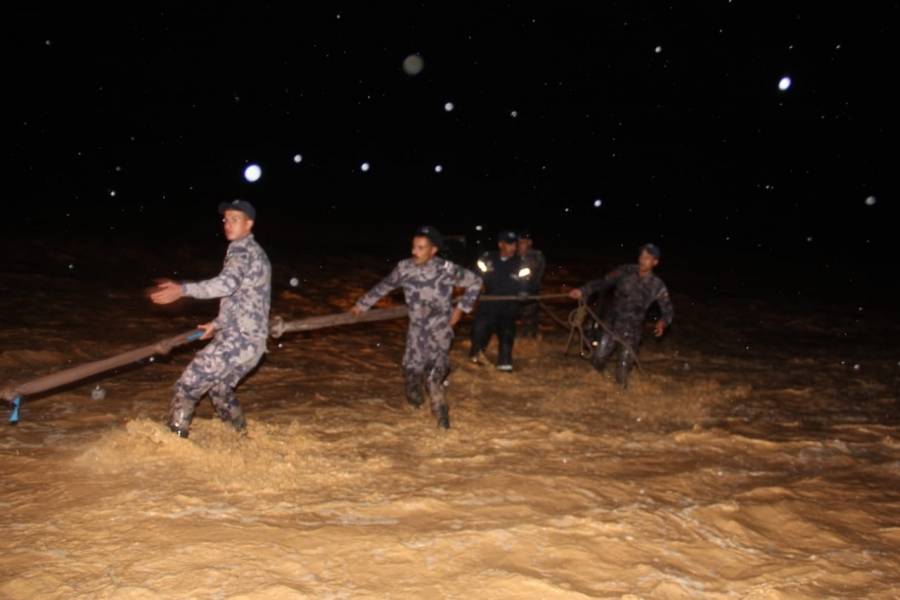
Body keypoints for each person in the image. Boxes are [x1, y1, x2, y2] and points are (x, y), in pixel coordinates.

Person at [150, 199, 271, 438]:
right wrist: (217, 325)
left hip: (239, 340)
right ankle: (241, 440)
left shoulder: (242, 250)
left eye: (235, 220)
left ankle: (174, 445)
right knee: (220, 390)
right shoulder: (255, 252)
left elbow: (226, 284)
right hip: (253, 343)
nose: (227, 224)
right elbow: (243, 300)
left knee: (187, 385)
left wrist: (183, 290)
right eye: (225, 220)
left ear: (249, 224)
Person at [351, 226, 482, 429]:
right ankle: (416, 410)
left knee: (432, 378)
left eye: (421, 248)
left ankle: (443, 423)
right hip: (416, 332)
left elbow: (475, 282)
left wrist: (461, 309)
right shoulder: (404, 268)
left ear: (433, 250)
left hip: (440, 331)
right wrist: (362, 304)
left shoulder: (446, 269)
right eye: (414, 247)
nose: (414, 252)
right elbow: (384, 285)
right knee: (411, 376)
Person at [568, 243, 673, 388]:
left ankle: (620, 396)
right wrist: (583, 290)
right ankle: (591, 389)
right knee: (598, 359)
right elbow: (603, 282)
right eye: (642, 256)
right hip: (612, 324)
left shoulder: (657, 285)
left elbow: (667, 310)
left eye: (648, 258)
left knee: (623, 368)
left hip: (633, 330)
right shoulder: (625, 270)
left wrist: (663, 322)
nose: (643, 260)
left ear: (655, 262)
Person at [469, 230, 532, 371]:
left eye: (514, 244)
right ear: (500, 244)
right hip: (488, 305)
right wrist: (475, 290)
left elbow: (525, 282)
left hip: (508, 307)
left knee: (506, 335)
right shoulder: (487, 259)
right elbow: (476, 278)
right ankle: (476, 357)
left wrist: (523, 292)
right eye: (509, 244)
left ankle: (504, 364)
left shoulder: (521, 263)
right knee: (479, 332)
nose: (513, 248)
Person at [516, 230, 546, 338]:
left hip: (530, 292)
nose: (520, 245)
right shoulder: (513, 255)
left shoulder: (536, 256)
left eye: (523, 242)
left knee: (529, 317)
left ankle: (530, 336)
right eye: (519, 242)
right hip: (513, 292)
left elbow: (532, 272)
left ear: (529, 242)